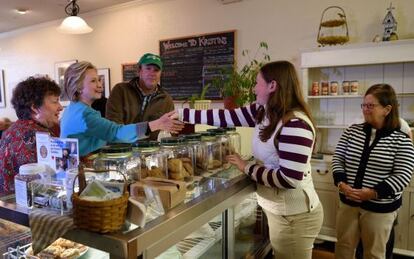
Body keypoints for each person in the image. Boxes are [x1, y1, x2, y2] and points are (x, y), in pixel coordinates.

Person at [179, 61, 323, 259]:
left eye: (257, 83)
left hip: (294, 217)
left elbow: (289, 179)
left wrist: (246, 166)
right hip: (280, 213)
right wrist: (180, 114)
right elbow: (225, 117)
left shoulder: (295, 124)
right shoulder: (263, 111)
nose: (254, 88)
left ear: (272, 86)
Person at [332, 84, 414, 259]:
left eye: (371, 106)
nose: (365, 110)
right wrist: (341, 183)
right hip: (348, 203)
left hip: (380, 209)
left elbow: (404, 174)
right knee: (343, 248)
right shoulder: (351, 131)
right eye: (364, 105)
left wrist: (374, 192)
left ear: (387, 109)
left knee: (374, 254)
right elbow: (338, 158)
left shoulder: (401, 140)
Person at [60, 61, 183, 157]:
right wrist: (157, 124)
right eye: (93, 81)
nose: (99, 85)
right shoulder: (84, 115)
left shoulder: (73, 109)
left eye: (99, 80)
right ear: (78, 87)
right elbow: (117, 132)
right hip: (78, 172)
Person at [0, 77, 63, 196]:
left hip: (7, 206)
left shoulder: (10, 130)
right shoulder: (40, 136)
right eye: (55, 101)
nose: (60, 107)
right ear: (35, 108)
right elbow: (55, 181)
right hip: (29, 208)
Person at [106, 53, 175, 140]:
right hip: (123, 150)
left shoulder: (166, 99)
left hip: (152, 151)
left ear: (161, 73)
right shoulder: (120, 90)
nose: (152, 73)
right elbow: (114, 128)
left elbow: (170, 130)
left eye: (156, 70)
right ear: (139, 71)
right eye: (148, 69)